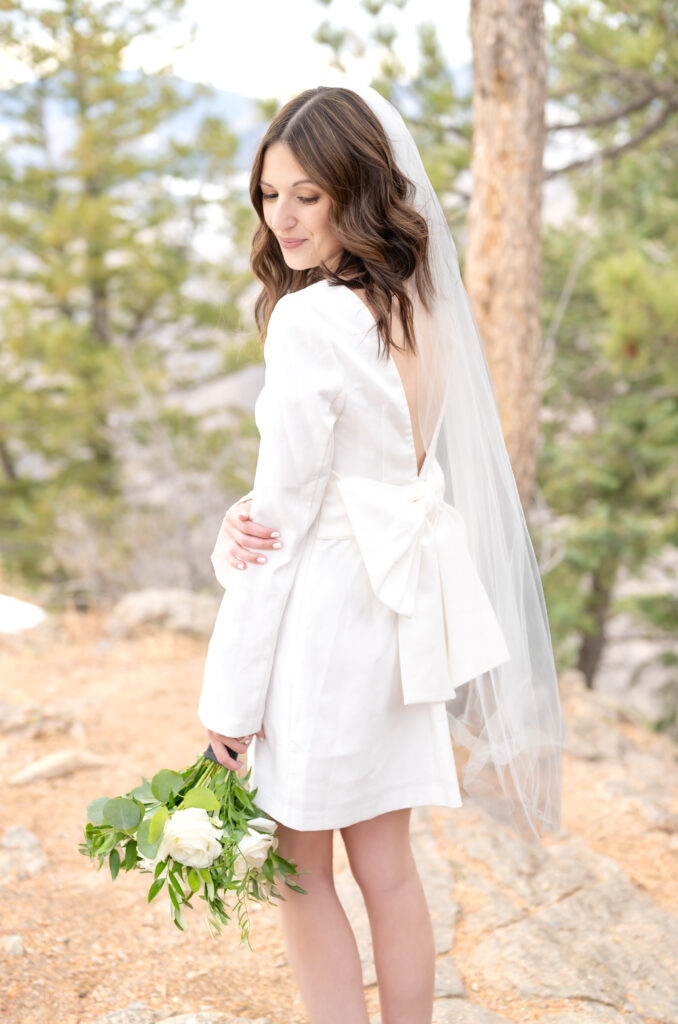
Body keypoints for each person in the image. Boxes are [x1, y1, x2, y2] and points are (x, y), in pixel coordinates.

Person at [198, 84, 567, 1024]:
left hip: (323, 622)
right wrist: (253, 512)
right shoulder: (421, 307)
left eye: (308, 195)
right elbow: (365, 476)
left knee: (299, 867)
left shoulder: (311, 320)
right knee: (388, 866)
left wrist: (230, 703)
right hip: (397, 617)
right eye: (270, 193)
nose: (281, 217)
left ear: (354, 193)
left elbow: (284, 525)